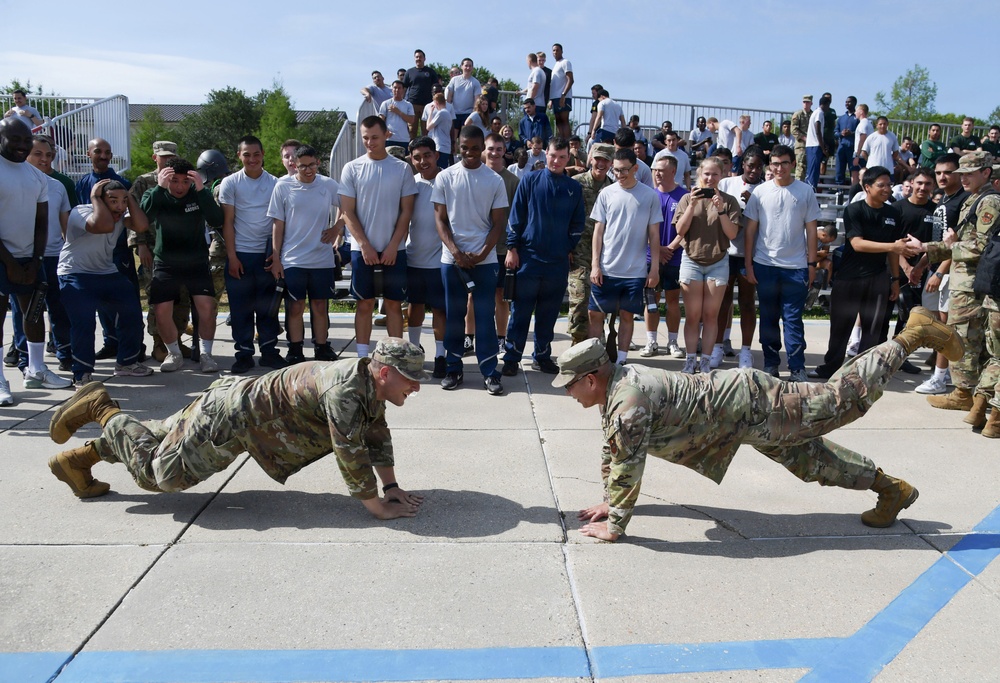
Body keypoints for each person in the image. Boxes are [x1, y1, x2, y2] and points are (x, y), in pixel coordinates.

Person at [563, 309, 965, 541]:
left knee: (844, 398)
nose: (568, 394)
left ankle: (914, 334)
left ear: (591, 379)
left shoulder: (627, 402)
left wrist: (616, 523)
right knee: (812, 462)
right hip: (740, 419)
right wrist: (608, 501)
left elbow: (628, 464)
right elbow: (614, 451)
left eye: (570, 386)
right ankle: (891, 490)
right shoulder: (617, 389)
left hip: (755, 406)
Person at [47, 338, 428, 521]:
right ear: (384, 372)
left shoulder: (368, 383)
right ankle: (101, 407)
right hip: (233, 420)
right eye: (410, 379)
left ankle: (78, 460)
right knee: (159, 476)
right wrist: (376, 507)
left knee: (161, 436)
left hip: (235, 404)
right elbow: (350, 451)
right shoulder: (345, 391)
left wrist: (391, 486)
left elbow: (376, 434)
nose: (416, 387)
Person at [904, 151, 1000, 414]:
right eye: (962, 174)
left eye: (969, 174)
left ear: (986, 173)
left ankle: (964, 393)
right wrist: (926, 247)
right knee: (966, 337)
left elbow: (978, 247)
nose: (963, 179)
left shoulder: (988, 201)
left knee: (965, 337)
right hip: (964, 280)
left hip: (971, 282)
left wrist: (946, 246)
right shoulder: (975, 199)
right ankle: (972, 395)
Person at [809, 166, 915, 379]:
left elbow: (894, 252)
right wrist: (892, 247)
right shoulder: (854, 210)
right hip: (849, 277)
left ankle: (863, 373)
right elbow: (857, 244)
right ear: (867, 187)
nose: (887, 189)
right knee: (841, 327)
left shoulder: (893, 213)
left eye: (888, 184)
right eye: (881, 185)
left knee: (872, 329)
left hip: (878, 278)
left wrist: (894, 279)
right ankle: (831, 367)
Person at [432, 126, 509, 394]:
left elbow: (499, 224)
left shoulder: (494, 180)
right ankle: (453, 368)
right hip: (451, 261)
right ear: (457, 146)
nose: (470, 153)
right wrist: (455, 252)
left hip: (484, 262)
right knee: (455, 315)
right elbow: (440, 220)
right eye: (465, 147)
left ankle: (490, 371)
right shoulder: (445, 177)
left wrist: (481, 253)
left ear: (483, 148)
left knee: (485, 316)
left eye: (476, 148)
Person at [0, 118, 72, 405]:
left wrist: (34, 260)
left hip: (30, 257)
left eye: (25, 140)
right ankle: (1, 381)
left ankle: (37, 369)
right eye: (14, 139)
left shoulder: (37, 177)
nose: (21, 146)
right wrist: (10, 263)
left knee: (33, 313)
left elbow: (42, 223)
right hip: (2, 258)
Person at [501, 137, 585, 376]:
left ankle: (542, 356)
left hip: (557, 262)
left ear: (568, 158)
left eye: (561, 157)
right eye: (552, 155)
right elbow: (515, 216)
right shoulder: (529, 180)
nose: (556, 161)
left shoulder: (574, 188)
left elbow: (578, 224)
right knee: (520, 312)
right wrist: (512, 248)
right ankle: (512, 357)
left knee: (549, 313)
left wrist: (566, 246)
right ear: (544, 154)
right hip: (528, 259)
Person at [340, 116, 417, 359]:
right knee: (364, 304)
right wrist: (364, 245)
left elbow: (407, 211)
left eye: (374, 137)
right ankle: (363, 356)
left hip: (395, 250)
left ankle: (395, 356)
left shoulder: (402, 168)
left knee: (394, 305)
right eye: (365, 138)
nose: (369, 142)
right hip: (362, 250)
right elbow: (347, 212)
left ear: (386, 135)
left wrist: (394, 245)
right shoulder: (352, 168)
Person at [59, 180, 151, 384]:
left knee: (132, 312)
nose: (120, 207)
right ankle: (82, 373)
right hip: (75, 274)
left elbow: (142, 225)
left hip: (107, 273)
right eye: (113, 201)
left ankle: (127, 363)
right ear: (100, 200)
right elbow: (102, 225)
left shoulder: (121, 214)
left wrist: (130, 199)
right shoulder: (80, 212)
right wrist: (94, 196)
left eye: (123, 201)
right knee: (84, 322)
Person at [743, 145, 821, 381]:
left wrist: (811, 264)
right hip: (764, 265)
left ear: (793, 164)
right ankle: (771, 364)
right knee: (768, 318)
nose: (779, 168)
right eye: (775, 163)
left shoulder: (805, 192)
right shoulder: (760, 192)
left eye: (784, 163)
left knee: (793, 319)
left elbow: (812, 230)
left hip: (796, 267)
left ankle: (797, 367)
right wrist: (749, 264)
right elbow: (750, 232)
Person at [141, 158, 224, 373]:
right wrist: (159, 188)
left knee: (207, 307)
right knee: (161, 310)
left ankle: (206, 354)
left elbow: (217, 218)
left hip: (196, 261)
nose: (179, 187)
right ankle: (174, 353)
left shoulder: (198, 194)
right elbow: (144, 217)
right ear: (166, 179)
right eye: (174, 181)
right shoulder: (155, 194)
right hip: (166, 262)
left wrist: (201, 190)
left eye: (184, 182)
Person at [267, 144, 342, 364]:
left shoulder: (328, 185)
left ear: (318, 163)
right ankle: (295, 349)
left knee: (320, 305)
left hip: (321, 258)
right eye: (302, 167)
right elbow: (277, 224)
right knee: (295, 306)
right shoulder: (283, 186)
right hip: (293, 259)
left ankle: (321, 347)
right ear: (294, 166)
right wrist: (276, 257)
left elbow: (349, 206)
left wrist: (337, 228)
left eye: (311, 165)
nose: (308, 170)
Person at [588, 148, 661, 364]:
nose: (619, 174)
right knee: (595, 315)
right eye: (616, 170)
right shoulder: (606, 193)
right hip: (606, 268)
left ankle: (621, 361)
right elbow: (598, 232)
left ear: (636, 168)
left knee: (627, 316)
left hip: (635, 272)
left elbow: (654, 235)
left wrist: (654, 268)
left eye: (624, 170)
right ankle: (596, 361)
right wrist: (595, 265)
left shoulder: (649, 196)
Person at [219, 135, 285, 373]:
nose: (252, 159)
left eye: (256, 154)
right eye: (247, 154)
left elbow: (279, 222)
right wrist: (232, 256)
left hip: (267, 256)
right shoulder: (230, 183)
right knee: (241, 309)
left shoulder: (276, 183)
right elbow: (228, 222)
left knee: (268, 309)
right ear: (239, 156)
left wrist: (276, 256)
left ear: (263, 154)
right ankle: (244, 354)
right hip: (241, 255)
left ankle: (269, 352)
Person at [673, 157, 741, 373]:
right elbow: (679, 231)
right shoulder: (687, 198)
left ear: (722, 176)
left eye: (715, 174)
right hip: (691, 260)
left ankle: (706, 362)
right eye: (706, 174)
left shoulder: (729, 201)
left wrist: (721, 210)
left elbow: (732, 234)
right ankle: (690, 359)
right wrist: (692, 205)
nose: (710, 178)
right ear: (699, 175)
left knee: (711, 315)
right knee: (693, 315)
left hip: (718, 261)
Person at [129, 140, 190, 362]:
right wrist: (141, 245)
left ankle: (177, 340)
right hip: (153, 251)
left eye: (171, 156)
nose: (167, 160)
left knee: (182, 298)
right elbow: (134, 215)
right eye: (163, 156)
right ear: (154, 157)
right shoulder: (144, 182)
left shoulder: (182, 181)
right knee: (159, 299)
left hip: (180, 252)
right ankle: (158, 343)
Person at [76, 137, 135, 361]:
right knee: (100, 302)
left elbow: (133, 219)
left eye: (107, 152)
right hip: (91, 252)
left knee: (123, 301)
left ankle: (131, 345)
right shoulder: (83, 184)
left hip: (118, 251)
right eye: (98, 151)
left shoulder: (122, 183)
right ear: (88, 154)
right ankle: (111, 342)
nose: (103, 156)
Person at [915, 154, 965, 395]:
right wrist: (922, 265)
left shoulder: (964, 202)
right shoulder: (943, 200)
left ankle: (940, 377)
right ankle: (942, 372)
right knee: (935, 324)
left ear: (959, 172)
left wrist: (940, 272)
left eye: (947, 172)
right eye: (938, 173)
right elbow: (938, 242)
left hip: (950, 274)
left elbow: (957, 245)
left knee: (945, 326)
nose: (942, 177)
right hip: (935, 270)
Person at [716, 149, 765, 369]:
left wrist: (756, 204)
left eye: (758, 166)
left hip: (750, 254)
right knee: (722, 303)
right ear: (743, 164)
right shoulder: (727, 184)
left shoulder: (765, 190)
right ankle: (717, 347)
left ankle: (746, 351)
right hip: (726, 252)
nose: (754, 170)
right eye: (750, 165)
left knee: (746, 303)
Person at [405, 137, 447, 378]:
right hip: (414, 258)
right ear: (412, 159)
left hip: (440, 260)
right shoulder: (410, 184)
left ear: (436, 155)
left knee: (440, 310)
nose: (423, 161)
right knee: (415, 306)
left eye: (427, 155)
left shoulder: (448, 179)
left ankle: (440, 355)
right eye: (417, 157)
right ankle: (413, 349)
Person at [640, 155, 687, 360]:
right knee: (651, 300)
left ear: (673, 172)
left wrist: (670, 247)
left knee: (673, 301)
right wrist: (657, 247)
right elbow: (640, 228)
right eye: (655, 170)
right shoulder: (647, 195)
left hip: (675, 258)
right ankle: (651, 341)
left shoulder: (684, 196)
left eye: (661, 170)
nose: (657, 173)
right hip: (651, 258)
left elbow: (687, 228)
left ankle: (673, 342)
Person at [568, 144, 614, 345]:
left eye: (606, 160)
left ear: (611, 163)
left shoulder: (613, 188)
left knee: (600, 306)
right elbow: (565, 217)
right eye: (598, 159)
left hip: (605, 256)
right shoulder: (575, 184)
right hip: (578, 253)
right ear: (590, 160)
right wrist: (567, 246)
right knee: (579, 302)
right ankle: (577, 345)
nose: (601, 164)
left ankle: (596, 345)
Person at [403, 49, 439, 138]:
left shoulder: (430, 71)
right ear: (414, 58)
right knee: (411, 130)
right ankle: (411, 150)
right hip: (412, 104)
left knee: (426, 130)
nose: (418, 58)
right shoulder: (409, 72)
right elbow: (404, 88)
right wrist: (403, 102)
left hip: (427, 105)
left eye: (420, 57)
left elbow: (437, 87)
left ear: (424, 58)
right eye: (417, 57)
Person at [860, 117, 902, 181]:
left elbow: (896, 151)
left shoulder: (892, 136)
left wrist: (889, 159)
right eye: (880, 124)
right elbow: (864, 152)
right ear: (876, 125)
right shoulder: (871, 137)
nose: (882, 126)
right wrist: (870, 161)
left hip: (888, 169)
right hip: (873, 170)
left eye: (884, 124)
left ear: (887, 124)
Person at [444, 58, 481, 130]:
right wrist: (448, 111)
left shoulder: (475, 82)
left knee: (465, 137)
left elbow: (477, 100)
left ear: (472, 68)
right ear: (461, 66)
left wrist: (473, 114)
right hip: (454, 113)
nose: (468, 68)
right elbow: (449, 97)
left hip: (468, 114)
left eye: (470, 66)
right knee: (453, 137)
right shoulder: (454, 80)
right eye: (466, 65)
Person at [379, 81, 416, 150]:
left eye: (399, 88)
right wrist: (385, 130)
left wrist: (398, 112)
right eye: (395, 88)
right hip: (389, 139)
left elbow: (411, 120)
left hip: (404, 139)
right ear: (392, 89)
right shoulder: (386, 103)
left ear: (403, 90)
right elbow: (380, 120)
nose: (397, 90)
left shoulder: (408, 105)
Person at [549, 43, 574, 140]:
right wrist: (551, 99)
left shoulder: (565, 62)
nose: (555, 52)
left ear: (562, 51)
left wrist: (563, 94)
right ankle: (562, 141)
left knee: (564, 120)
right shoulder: (556, 65)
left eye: (557, 50)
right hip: (555, 97)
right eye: (553, 50)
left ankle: (567, 142)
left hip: (563, 96)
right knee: (558, 121)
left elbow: (570, 80)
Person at [423, 90, 454, 168]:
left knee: (438, 169)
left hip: (440, 146)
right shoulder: (447, 113)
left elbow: (428, 127)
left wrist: (430, 113)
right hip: (445, 146)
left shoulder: (441, 113)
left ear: (436, 103)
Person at [805, 96, 829, 189]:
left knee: (812, 171)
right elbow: (818, 130)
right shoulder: (819, 113)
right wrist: (823, 148)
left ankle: (810, 190)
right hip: (814, 145)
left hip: (812, 145)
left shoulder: (815, 112)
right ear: (827, 104)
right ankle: (811, 192)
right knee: (813, 173)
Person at [835, 96, 859, 185]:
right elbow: (835, 132)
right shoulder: (841, 118)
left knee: (853, 170)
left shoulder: (857, 118)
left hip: (852, 148)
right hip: (841, 147)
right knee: (839, 169)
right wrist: (841, 133)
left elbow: (860, 133)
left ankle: (853, 192)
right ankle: (839, 190)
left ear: (854, 103)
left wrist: (851, 133)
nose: (847, 104)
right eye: (846, 102)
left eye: (849, 102)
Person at [791, 95, 812, 181]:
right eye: (804, 102)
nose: (805, 104)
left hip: (811, 145)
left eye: (807, 102)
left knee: (810, 166)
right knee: (800, 167)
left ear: (811, 103)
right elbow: (794, 130)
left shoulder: (813, 115)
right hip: (801, 146)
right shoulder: (798, 114)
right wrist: (804, 138)